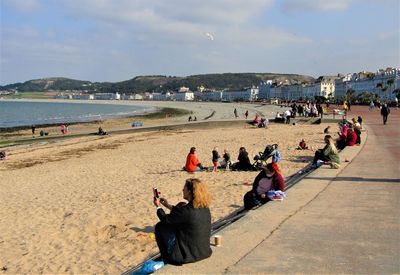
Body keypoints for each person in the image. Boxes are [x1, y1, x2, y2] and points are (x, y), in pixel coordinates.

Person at [153, 178, 212, 265]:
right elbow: (181, 214)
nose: (182, 190)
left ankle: (166, 256)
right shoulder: (204, 207)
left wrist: (158, 207)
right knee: (181, 206)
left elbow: (166, 220)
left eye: (184, 188)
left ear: (189, 191)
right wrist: (168, 205)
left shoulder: (186, 211)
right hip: (204, 252)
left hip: (188, 256)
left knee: (160, 226)